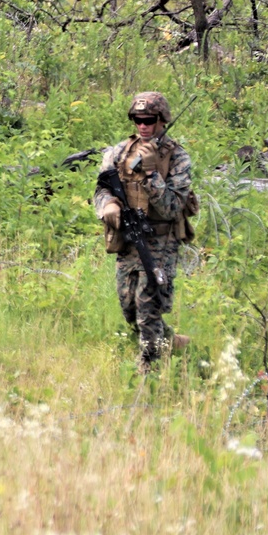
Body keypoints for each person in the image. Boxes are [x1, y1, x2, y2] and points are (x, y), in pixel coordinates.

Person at [94, 92, 194, 371]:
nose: (143, 125)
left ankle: (148, 370)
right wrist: (108, 207)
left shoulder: (177, 157)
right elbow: (101, 188)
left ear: (162, 120)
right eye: (137, 120)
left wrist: (151, 174)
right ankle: (170, 341)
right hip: (128, 237)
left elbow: (172, 207)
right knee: (129, 308)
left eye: (149, 120)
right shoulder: (120, 152)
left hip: (160, 241)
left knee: (148, 308)